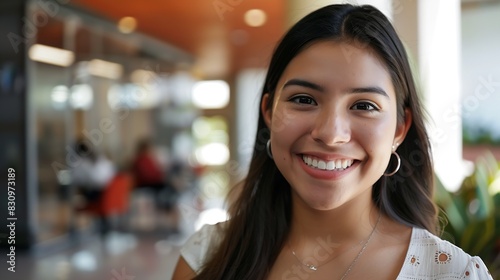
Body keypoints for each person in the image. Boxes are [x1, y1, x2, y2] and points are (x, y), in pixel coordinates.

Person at [172, 4, 493, 280]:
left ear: (400, 129)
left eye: (364, 105)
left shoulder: (452, 273)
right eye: (303, 99)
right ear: (269, 112)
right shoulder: (207, 257)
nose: (330, 133)